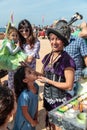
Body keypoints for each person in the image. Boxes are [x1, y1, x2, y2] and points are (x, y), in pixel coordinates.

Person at [38, 20, 76, 130]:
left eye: (58, 39)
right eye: (52, 38)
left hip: (60, 103)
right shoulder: (48, 56)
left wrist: (48, 81)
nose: (54, 42)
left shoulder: (67, 60)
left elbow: (69, 86)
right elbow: (42, 75)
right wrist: (29, 69)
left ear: (63, 41)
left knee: (58, 126)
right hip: (47, 99)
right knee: (50, 124)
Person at [64, 21, 87, 96]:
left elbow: (85, 58)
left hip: (76, 77)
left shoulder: (78, 40)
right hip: (63, 79)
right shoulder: (57, 42)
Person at [13, 65, 39, 130]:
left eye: (31, 69)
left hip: (31, 118)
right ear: (25, 80)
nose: (33, 71)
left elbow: (36, 103)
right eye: (30, 72)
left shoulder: (36, 86)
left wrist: (35, 116)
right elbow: (25, 112)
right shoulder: (24, 95)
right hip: (23, 123)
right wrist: (32, 122)